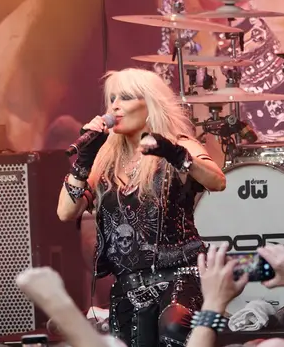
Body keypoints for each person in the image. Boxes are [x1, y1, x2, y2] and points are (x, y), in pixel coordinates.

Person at [57, 68, 226, 347]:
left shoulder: (179, 145)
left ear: (151, 104)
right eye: (112, 99)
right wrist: (83, 163)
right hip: (128, 285)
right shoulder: (105, 160)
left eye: (125, 97)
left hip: (179, 278)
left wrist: (176, 155)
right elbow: (66, 212)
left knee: (174, 331)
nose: (115, 106)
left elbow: (217, 181)